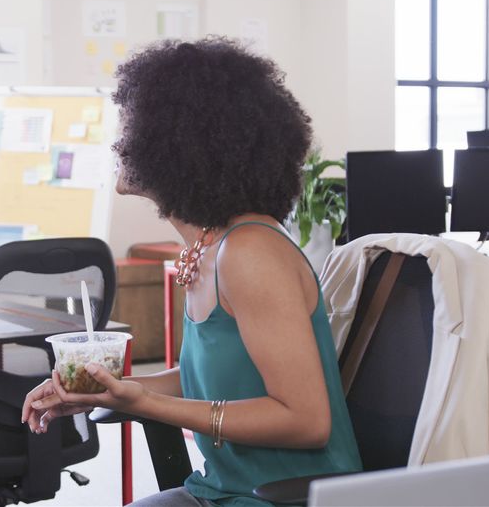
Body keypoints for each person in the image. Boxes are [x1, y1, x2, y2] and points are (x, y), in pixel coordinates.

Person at [21, 37, 362, 506]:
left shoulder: (251, 252)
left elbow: (307, 421)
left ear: (179, 141)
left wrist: (146, 403)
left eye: (132, 124)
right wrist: (107, 391)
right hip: (222, 490)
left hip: (277, 498)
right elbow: (205, 377)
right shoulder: (209, 247)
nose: (120, 141)